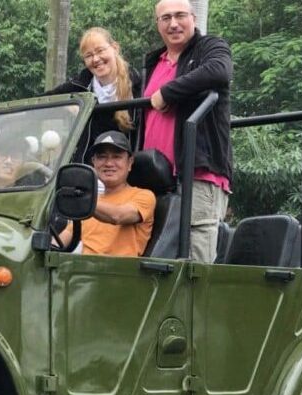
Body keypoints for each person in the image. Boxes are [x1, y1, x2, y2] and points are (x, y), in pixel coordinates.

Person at [141, 0, 233, 262]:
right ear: (157, 24)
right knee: (153, 257)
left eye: (180, 15)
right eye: (165, 18)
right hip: (154, 178)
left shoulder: (210, 47)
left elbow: (219, 71)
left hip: (197, 172)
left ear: (193, 18)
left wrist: (168, 92)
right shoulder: (153, 61)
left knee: (194, 258)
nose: (173, 23)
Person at [59, 131, 156, 256]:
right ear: (93, 162)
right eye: (102, 157)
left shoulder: (144, 196)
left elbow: (118, 216)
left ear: (130, 163)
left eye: (116, 157)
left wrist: (82, 198)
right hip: (80, 270)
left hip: (117, 272)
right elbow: (64, 237)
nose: (109, 163)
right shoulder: (90, 201)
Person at [46, 27, 141, 136]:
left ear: (115, 48)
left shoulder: (140, 85)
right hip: (93, 153)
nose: (95, 59)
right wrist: (67, 106)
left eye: (100, 51)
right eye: (89, 55)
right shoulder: (79, 87)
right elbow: (42, 102)